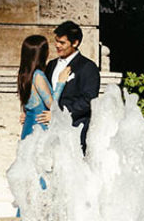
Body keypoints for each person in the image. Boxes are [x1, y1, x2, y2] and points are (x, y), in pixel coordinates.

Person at [15, 34, 69, 216]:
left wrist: (24, 113)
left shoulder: (23, 74)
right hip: (40, 128)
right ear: (42, 54)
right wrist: (61, 82)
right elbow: (52, 104)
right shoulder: (38, 76)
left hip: (28, 130)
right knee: (42, 176)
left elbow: (26, 103)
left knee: (29, 176)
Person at [42, 20, 100, 153]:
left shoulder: (88, 67)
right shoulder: (51, 65)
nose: (57, 45)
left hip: (74, 129)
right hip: (50, 129)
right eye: (56, 41)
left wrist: (60, 114)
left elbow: (88, 100)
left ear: (75, 43)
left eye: (62, 43)